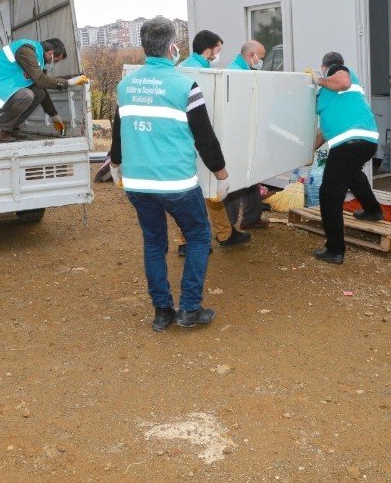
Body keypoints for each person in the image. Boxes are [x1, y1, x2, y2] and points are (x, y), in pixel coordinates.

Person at [109, 17, 231, 331]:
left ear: (144, 46)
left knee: (153, 244)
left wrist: (116, 163)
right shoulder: (185, 86)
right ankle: (189, 309)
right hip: (176, 183)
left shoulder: (126, 86)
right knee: (199, 237)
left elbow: (119, 130)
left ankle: (162, 312)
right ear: (173, 47)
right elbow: (205, 137)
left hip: (137, 183)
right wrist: (221, 174)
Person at [175, 30, 251, 253]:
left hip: (181, 141)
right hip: (199, 141)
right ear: (207, 50)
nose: (218, 54)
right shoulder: (204, 73)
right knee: (205, 190)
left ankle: (215, 235)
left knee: (195, 191)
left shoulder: (180, 68)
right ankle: (198, 239)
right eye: (217, 50)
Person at [311, 51, 384, 265]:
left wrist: (318, 79)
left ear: (324, 66)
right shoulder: (332, 97)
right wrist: (308, 152)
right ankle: (373, 210)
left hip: (349, 144)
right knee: (352, 175)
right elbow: (325, 131)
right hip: (365, 142)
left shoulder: (336, 71)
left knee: (329, 194)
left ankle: (335, 250)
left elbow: (341, 82)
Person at [0, 37, 87, 141]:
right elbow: (41, 80)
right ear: (50, 54)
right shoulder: (26, 50)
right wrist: (68, 82)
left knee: (38, 93)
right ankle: (0, 130)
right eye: (55, 61)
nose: (54, 64)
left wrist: (53, 114)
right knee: (26, 95)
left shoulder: (37, 59)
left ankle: (10, 128)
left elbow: (40, 86)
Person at [224, 40, 270, 231]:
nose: (262, 61)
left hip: (247, 135)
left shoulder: (244, 71)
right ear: (252, 55)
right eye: (261, 57)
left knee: (252, 176)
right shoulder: (235, 73)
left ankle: (251, 217)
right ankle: (228, 228)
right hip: (237, 137)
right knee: (234, 181)